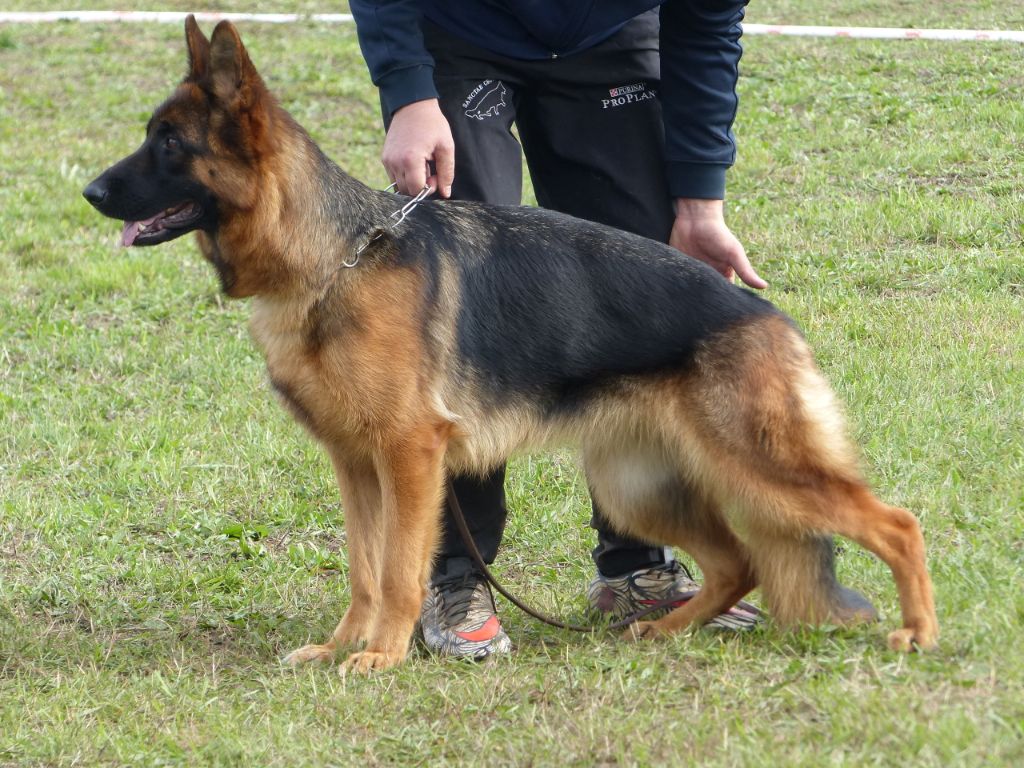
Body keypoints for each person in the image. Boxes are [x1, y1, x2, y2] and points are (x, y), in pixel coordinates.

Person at [350, 0, 764, 658]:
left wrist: (699, 201)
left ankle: (637, 567)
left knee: (641, 280)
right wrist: (409, 90)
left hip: (606, 36)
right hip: (464, 31)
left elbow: (706, 24)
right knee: (463, 295)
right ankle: (456, 579)